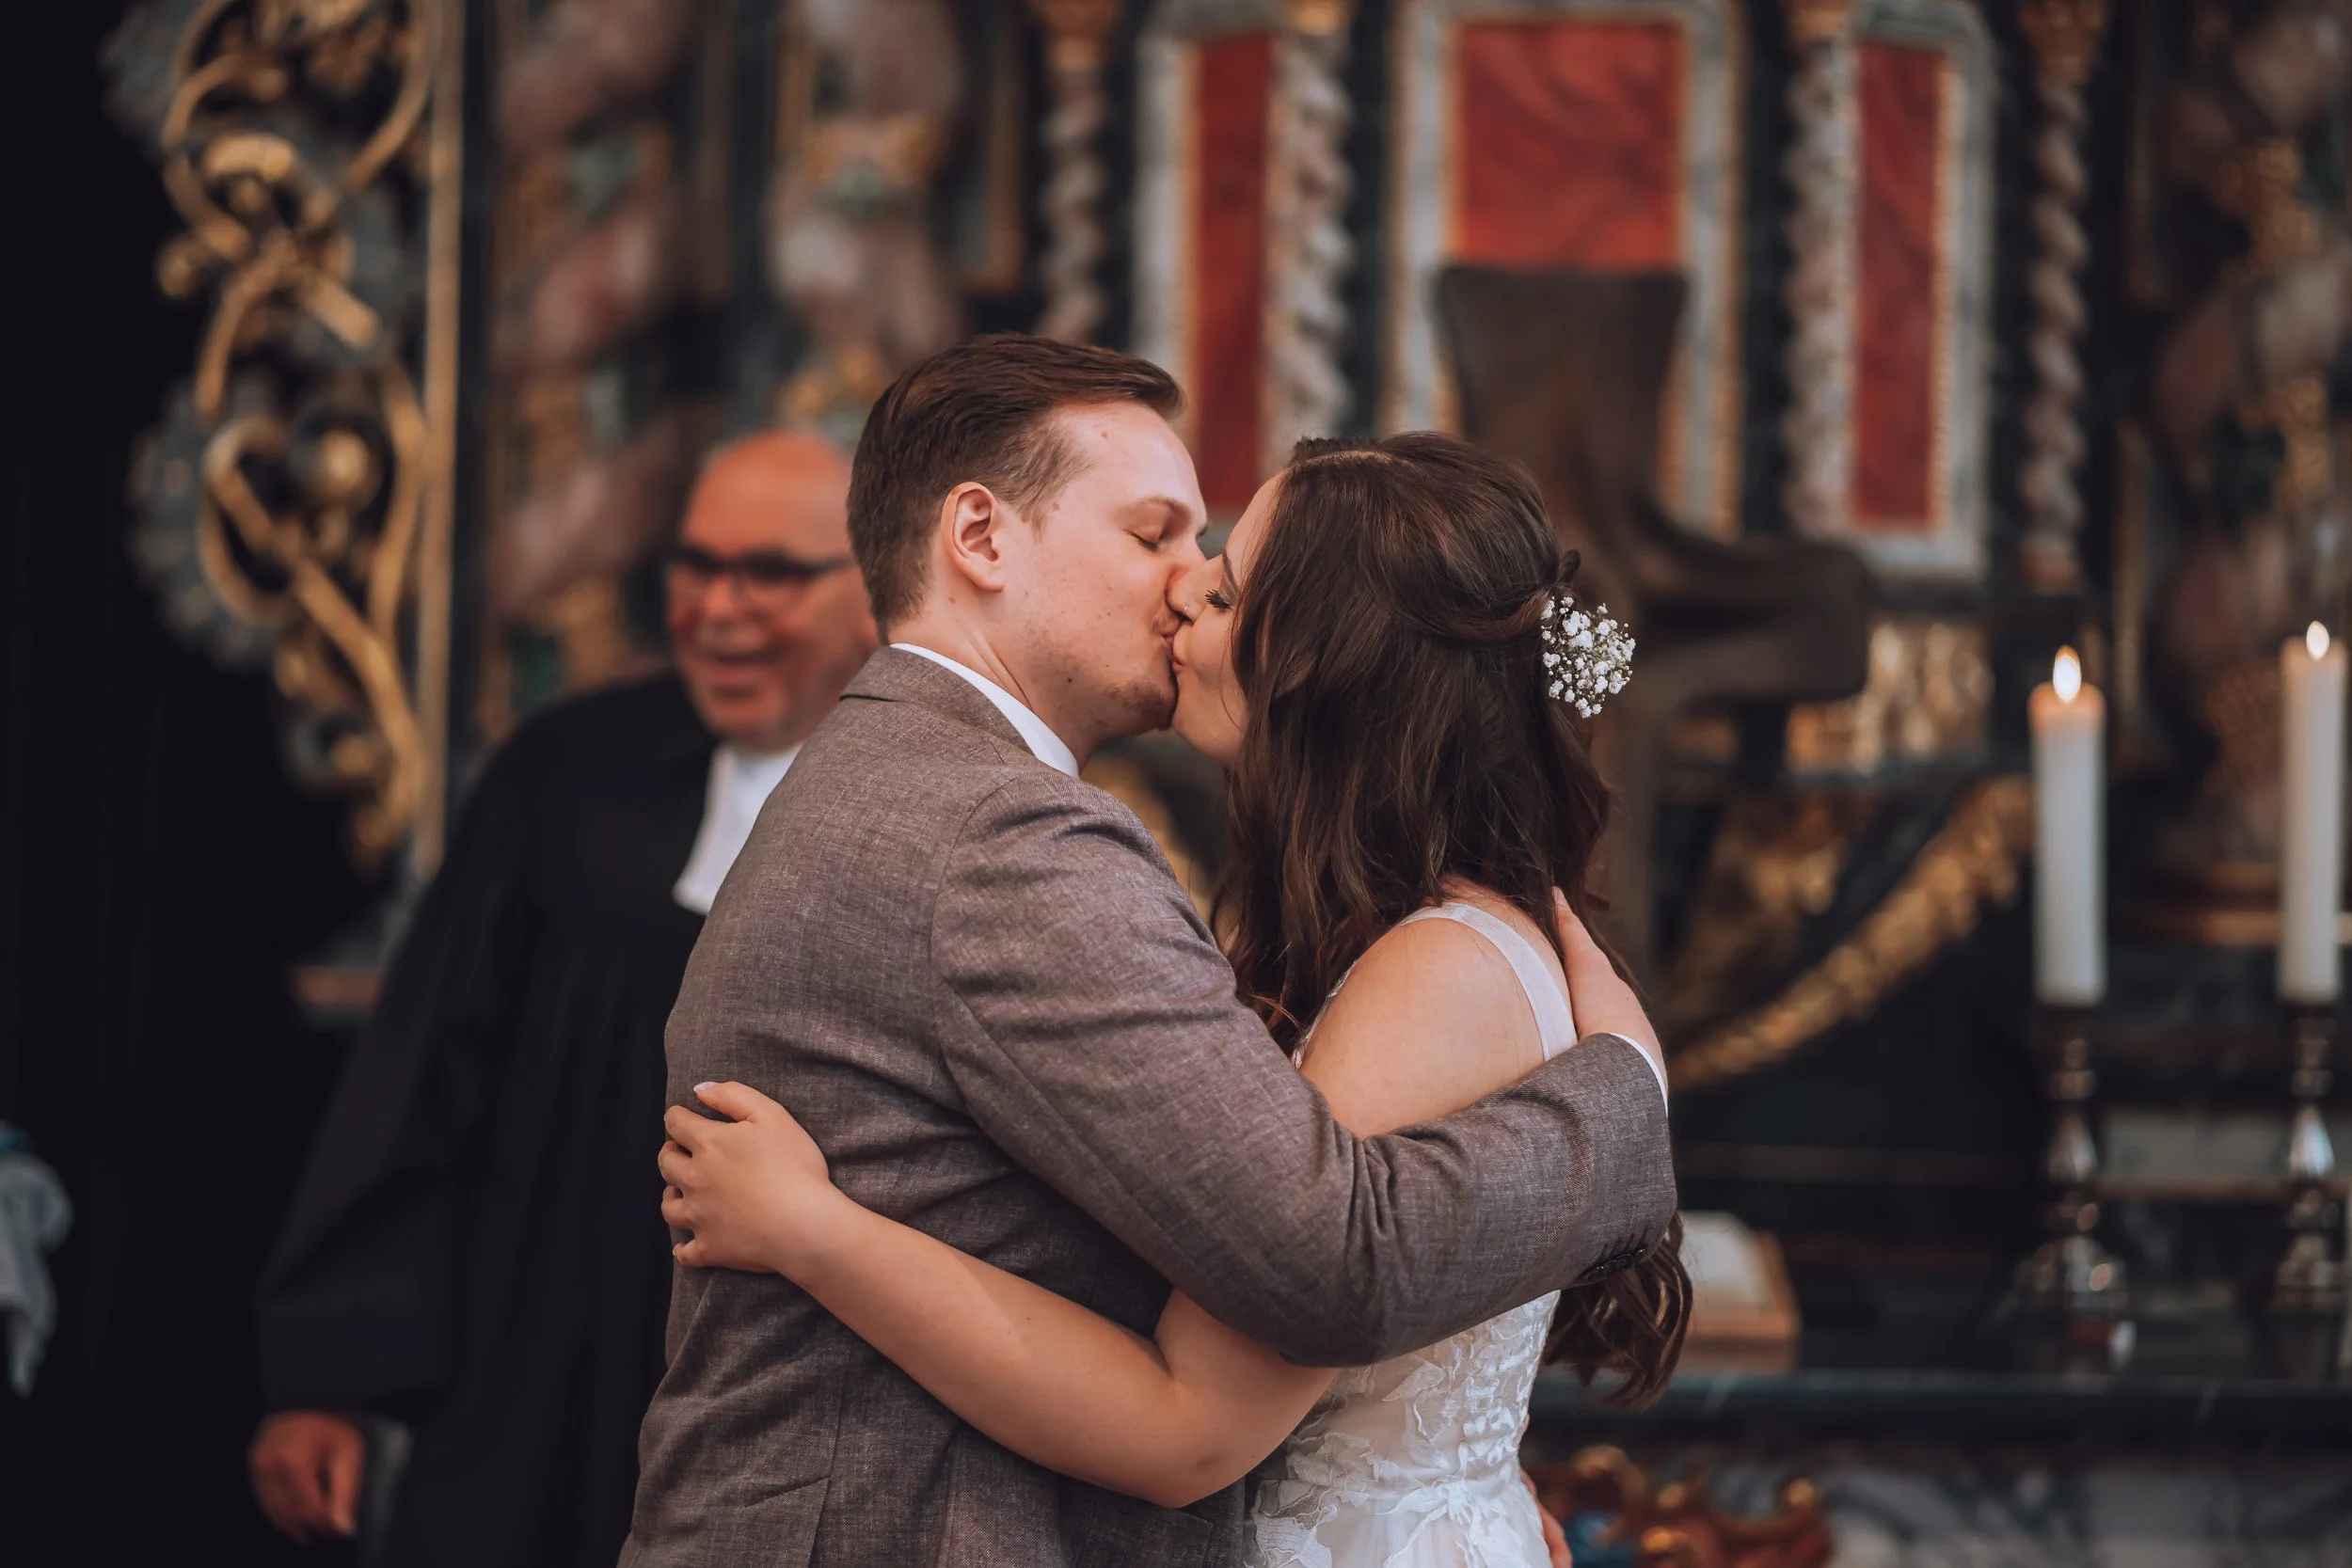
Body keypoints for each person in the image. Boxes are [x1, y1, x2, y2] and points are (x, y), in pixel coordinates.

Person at [620, 337, 1678, 1568]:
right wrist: (1624, 1097)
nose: (1183, 592)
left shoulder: (937, 791)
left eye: (1220, 579)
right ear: (981, 536)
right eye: (1156, 536)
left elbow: (1286, 1304)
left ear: (1327, 665)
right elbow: (1306, 1272)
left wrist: (1446, 1496)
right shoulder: (999, 828)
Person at [247, 431, 875, 1568]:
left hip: (789, 1388)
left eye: (770, 573)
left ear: (878, 592)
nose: (717, 608)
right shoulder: (566, 769)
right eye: (694, 566)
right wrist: (326, 1372)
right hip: (528, 1355)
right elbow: (425, 1070)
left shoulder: (934, 807)